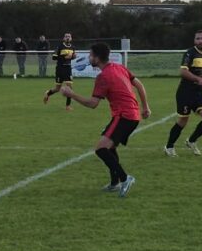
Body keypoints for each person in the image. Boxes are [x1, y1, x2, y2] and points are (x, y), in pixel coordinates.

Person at [59, 43, 151, 197]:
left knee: (101, 149)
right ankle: (115, 183)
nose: (89, 58)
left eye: (90, 55)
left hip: (124, 116)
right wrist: (145, 107)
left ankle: (125, 178)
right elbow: (139, 84)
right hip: (131, 115)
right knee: (110, 147)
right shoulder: (119, 67)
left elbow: (92, 104)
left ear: (97, 57)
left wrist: (71, 94)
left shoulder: (103, 77)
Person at [165, 29, 202, 156]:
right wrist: (199, 80)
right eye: (198, 38)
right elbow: (183, 72)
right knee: (182, 121)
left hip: (198, 93)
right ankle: (169, 147)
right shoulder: (190, 53)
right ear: (194, 40)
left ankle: (191, 141)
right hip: (185, 93)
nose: (200, 40)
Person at [43, 32, 77, 108]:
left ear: (71, 38)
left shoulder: (73, 47)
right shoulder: (60, 46)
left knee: (70, 87)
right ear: (63, 38)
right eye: (66, 36)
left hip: (68, 69)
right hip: (60, 69)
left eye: (69, 36)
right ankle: (47, 93)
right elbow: (54, 57)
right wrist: (64, 57)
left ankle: (68, 106)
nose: (67, 37)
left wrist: (73, 57)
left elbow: (71, 57)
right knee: (57, 88)